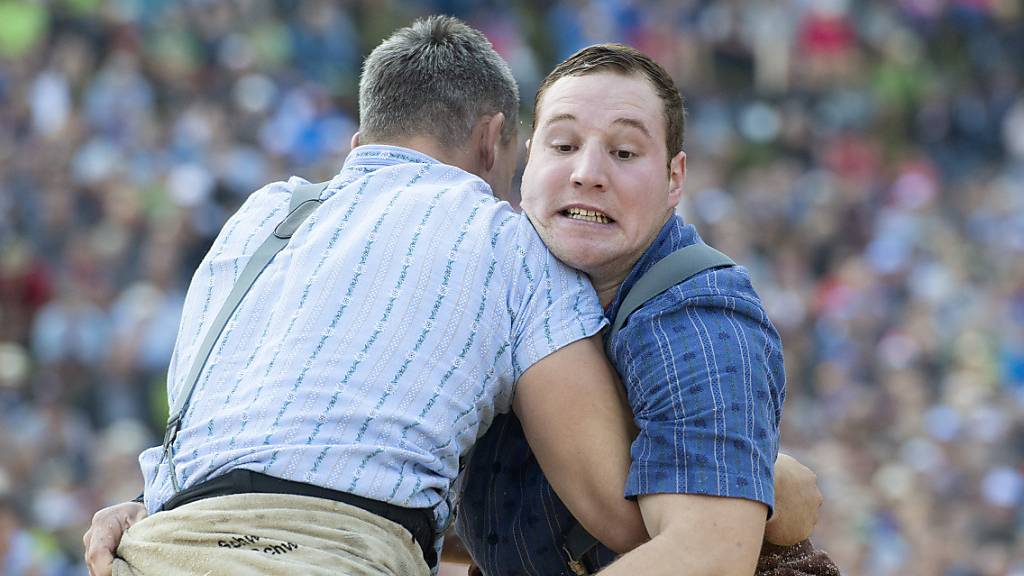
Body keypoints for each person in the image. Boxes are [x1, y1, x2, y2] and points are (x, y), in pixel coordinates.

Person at [83, 17, 646, 576]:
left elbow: (226, 441)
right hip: (334, 556)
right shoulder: (507, 240)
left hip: (158, 548)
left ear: (360, 143)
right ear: (491, 140)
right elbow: (613, 512)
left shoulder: (260, 217)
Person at [457, 44, 838, 575]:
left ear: (674, 178)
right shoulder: (499, 275)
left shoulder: (698, 317)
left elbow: (707, 556)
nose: (587, 173)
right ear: (526, 162)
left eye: (625, 153)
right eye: (563, 145)